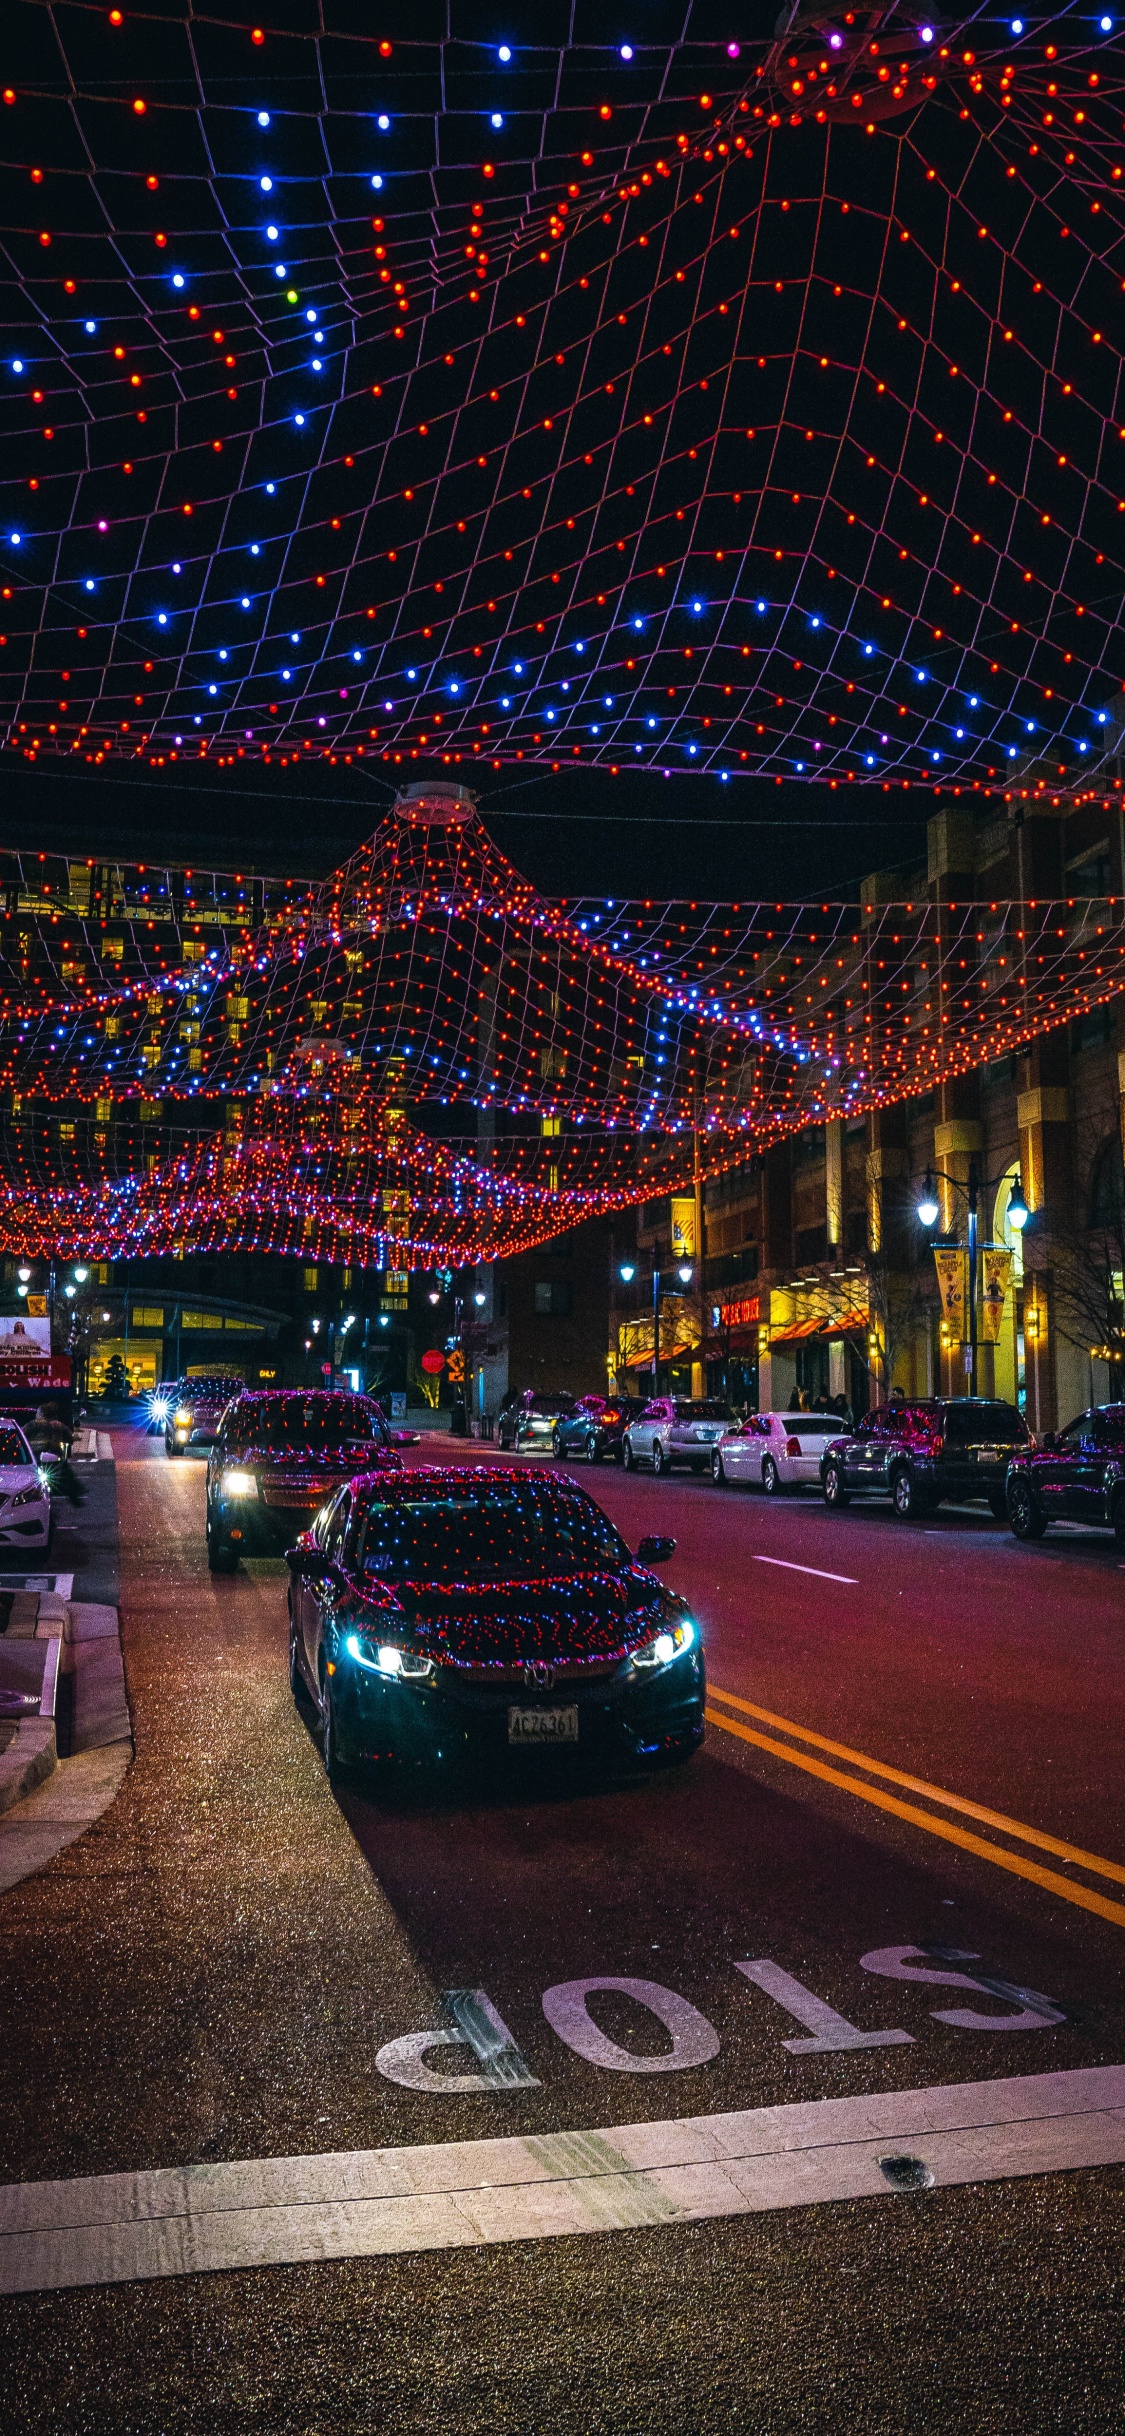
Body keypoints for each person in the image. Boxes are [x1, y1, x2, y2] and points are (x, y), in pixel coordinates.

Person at [25, 1402, 85, 1507]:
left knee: (27, 1474)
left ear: (41, 1413)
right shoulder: (59, 1425)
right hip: (54, 1456)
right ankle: (75, 1495)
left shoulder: (34, 1424)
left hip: (36, 1456)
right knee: (67, 1474)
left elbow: (22, 1433)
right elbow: (69, 1438)